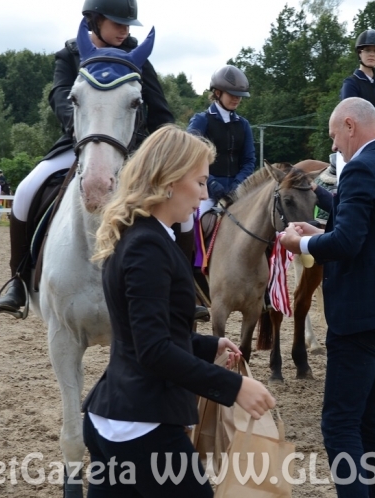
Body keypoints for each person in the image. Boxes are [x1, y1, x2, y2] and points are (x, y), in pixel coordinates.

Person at [83, 125, 275, 496]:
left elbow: (150, 331)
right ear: (169, 181)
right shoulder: (147, 246)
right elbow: (153, 349)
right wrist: (234, 387)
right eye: (200, 182)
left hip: (119, 416)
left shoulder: (143, 235)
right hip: (142, 424)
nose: (204, 193)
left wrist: (208, 346)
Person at [0, 0, 174, 316]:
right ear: (94, 20)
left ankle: (187, 284)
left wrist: (165, 154)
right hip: (78, 141)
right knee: (25, 190)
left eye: (127, 24)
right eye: (117, 23)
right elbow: (60, 96)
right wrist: (84, 131)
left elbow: (162, 113)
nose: (124, 31)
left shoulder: (137, 58)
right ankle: (18, 278)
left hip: (130, 151)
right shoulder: (70, 55)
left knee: (175, 199)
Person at [280, 98, 375, 497]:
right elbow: (371, 233)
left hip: (363, 312)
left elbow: (348, 243)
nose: (335, 146)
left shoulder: (361, 167)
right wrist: (314, 228)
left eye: (334, 136)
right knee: (372, 421)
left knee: (340, 424)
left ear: (349, 125)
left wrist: (302, 242)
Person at [180, 64, 255, 260]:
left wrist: (239, 185)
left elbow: (249, 160)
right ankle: (189, 267)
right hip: (207, 192)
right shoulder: (201, 121)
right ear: (217, 92)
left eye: (240, 95)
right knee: (191, 224)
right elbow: (191, 157)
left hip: (237, 192)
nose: (237, 98)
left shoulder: (243, 125)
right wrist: (210, 183)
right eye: (232, 94)